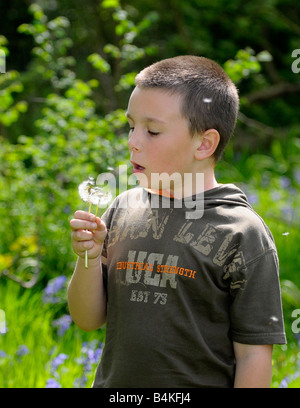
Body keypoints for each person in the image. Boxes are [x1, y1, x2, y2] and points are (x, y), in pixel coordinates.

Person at [68, 55, 286, 388]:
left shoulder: (242, 232)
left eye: (152, 130)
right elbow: (88, 319)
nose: (133, 141)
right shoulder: (121, 209)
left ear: (204, 143)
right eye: (131, 126)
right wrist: (88, 256)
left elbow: (253, 355)